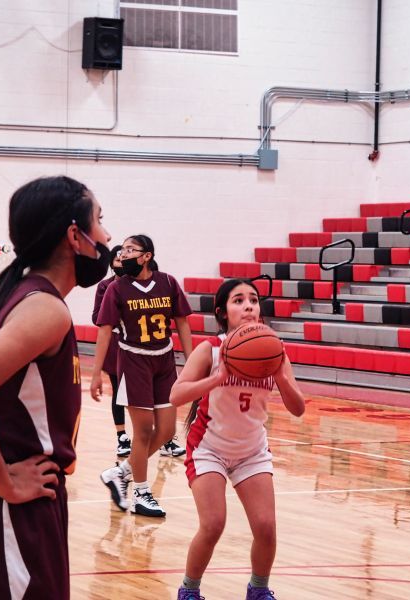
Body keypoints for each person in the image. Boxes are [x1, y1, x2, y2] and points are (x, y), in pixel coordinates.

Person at [0, 175, 110, 599]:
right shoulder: (45, 309)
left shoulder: (20, 297)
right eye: (100, 220)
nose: (107, 235)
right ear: (74, 236)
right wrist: (2, 481)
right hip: (9, 508)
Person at [169, 279, 306, 600]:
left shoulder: (274, 350)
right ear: (223, 312)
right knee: (214, 524)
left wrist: (282, 377)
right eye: (239, 300)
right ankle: (189, 591)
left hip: (252, 450)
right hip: (209, 448)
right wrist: (215, 378)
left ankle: (258, 591)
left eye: (254, 301)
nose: (248, 306)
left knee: (266, 528)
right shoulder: (210, 350)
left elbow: (298, 408)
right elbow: (176, 395)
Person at [92, 234, 193, 518]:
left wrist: (192, 362)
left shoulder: (168, 283)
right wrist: (98, 372)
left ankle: (120, 473)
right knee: (144, 431)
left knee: (167, 431)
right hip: (134, 361)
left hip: (164, 362)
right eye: (122, 249)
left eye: (130, 249)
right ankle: (141, 493)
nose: (123, 254)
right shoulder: (116, 288)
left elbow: (183, 323)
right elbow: (104, 330)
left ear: (146, 255)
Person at [93, 244, 131, 458]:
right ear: (111, 264)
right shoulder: (105, 287)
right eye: (116, 260)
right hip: (114, 345)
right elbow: (96, 317)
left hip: (135, 345)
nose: (120, 263)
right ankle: (122, 436)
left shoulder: (136, 284)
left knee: (144, 392)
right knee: (118, 389)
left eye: (123, 260)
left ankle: (163, 438)